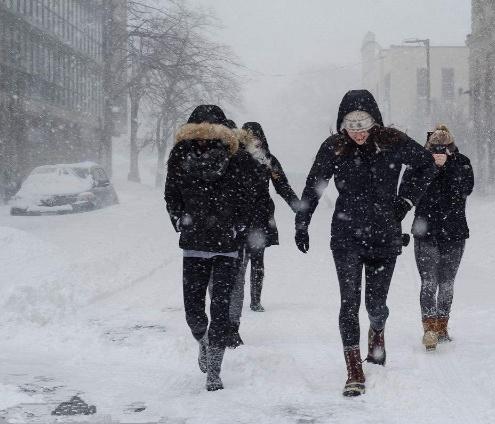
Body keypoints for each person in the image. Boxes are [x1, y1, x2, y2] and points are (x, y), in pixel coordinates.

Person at [295, 90, 435, 397]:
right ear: (341, 124)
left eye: (363, 123)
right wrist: (302, 222)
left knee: (375, 304)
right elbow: (314, 183)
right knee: (349, 303)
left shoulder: (393, 142)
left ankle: (377, 332)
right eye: (350, 124)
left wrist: (405, 202)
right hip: (346, 237)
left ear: (375, 121)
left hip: (384, 235)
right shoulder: (333, 147)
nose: (357, 131)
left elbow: (426, 164)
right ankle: (353, 369)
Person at [164, 105, 258, 391]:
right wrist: (179, 219)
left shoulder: (236, 157)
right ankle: (202, 341)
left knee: (221, 311)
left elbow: (248, 194)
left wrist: (239, 226)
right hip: (193, 244)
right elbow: (171, 193)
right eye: (198, 131)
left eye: (210, 131)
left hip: (227, 246)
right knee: (193, 313)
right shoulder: (179, 156)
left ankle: (214, 371)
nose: (203, 138)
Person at [225, 122, 299, 348]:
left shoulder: (267, 159)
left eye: (256, 137)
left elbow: (282, 185)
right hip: (241, 217)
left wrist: (299, 208)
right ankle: (234, 317)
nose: (253, 141)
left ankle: (255, 300)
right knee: (239, 264)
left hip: (260, 216)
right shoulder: (235, 157)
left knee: (256, 258)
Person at [403, 124, 474, 351]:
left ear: (452, 148)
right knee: (429, 282)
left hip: (454, 232)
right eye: (435, 148)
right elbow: (407, 192)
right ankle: (429, 329)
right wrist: (431, 168)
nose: (440, 153)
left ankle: (442, 325)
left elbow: (465, 189)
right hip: (426, 232)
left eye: (444, 148)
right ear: (428, 147)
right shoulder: (418, 163)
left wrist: (448, 167)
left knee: (446, 283)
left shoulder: (461, 163)